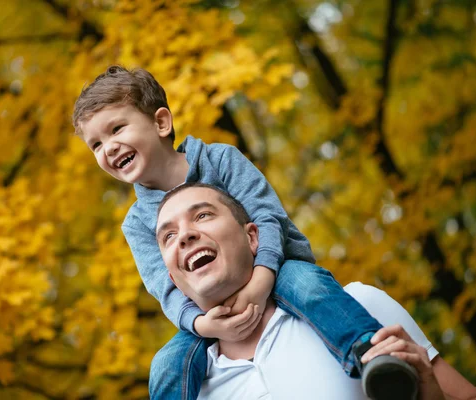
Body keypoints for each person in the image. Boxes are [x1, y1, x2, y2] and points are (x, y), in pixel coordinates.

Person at [73, 66, 413, 399]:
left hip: (279, 270)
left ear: (161, 122)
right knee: (166, 363)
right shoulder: (136, 223)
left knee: (311, 288)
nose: (109, 148)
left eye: (117, 129)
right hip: (209, 313)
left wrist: (261, 281)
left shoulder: (220, 159)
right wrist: (204, 325)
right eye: (96, 145)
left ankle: (373, 357)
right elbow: (164, 286)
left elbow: (267, 218)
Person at [155, 182, 476, 400]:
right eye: (168, 236)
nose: (185, 235)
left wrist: (430, 396)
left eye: (202, 215)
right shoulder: (184, 384)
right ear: (173, 278)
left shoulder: (357, 309)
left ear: (253, 237)